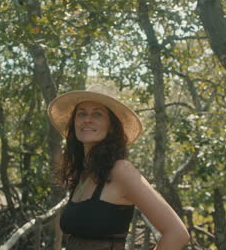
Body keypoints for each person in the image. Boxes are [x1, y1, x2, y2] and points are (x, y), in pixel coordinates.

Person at [48, 88, 190, 250]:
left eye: (97, 114)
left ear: (112, 127)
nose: (87, 119)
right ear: (74, 123)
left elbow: (177, 233)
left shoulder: (121, 170)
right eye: (81, 114)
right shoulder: (82, 173)